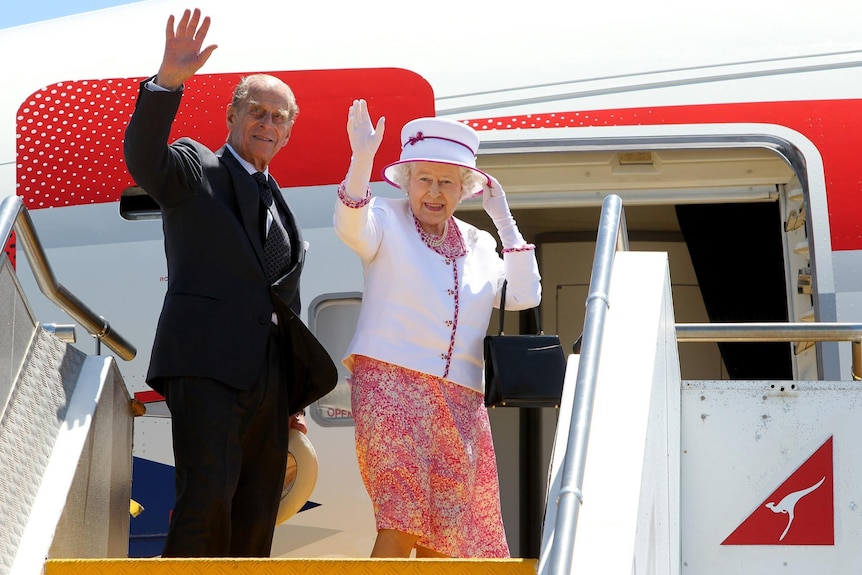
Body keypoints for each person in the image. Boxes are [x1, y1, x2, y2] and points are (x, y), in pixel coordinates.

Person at [124, 9, 332, 557]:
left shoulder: (280, 203)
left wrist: (291, 400)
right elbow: (144, 158)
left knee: (257, 508)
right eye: (256, 111)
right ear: (232, 114)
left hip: (269, 381)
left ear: (289, 130)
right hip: (207, 364)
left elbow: (281, 301)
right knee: (206, 501)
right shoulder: (197, 167)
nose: (267, 123)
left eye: (279, 117)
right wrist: (166, 82)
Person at [334, 99, 542, 558]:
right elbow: (350, 227)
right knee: (401, 519)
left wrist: (503, 219)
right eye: (423, 179)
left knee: (445, 541)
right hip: (390, 384)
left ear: (464, 188)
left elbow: (525, 296)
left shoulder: (480, 243)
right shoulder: (385, 218)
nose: (434, 191)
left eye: (447, 181)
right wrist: (361, 159)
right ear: (407, 181)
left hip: (460, 400)